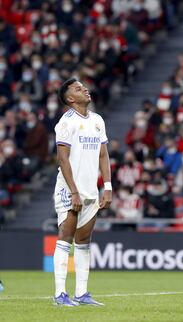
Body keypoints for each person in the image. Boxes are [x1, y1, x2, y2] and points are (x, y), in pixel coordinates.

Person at [53, 78, 112, 306]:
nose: (85, 89)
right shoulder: (66, 123)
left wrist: (107, 187)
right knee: (65, 238)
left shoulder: (97, 121)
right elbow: (62, 158)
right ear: (70, 99)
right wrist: (74, 192)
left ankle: (82, 293)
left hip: (90, 190)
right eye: (78, 89)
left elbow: (103, 155)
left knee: (84, 240)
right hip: (70, 189)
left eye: (84, 87)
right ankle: (60, 294)